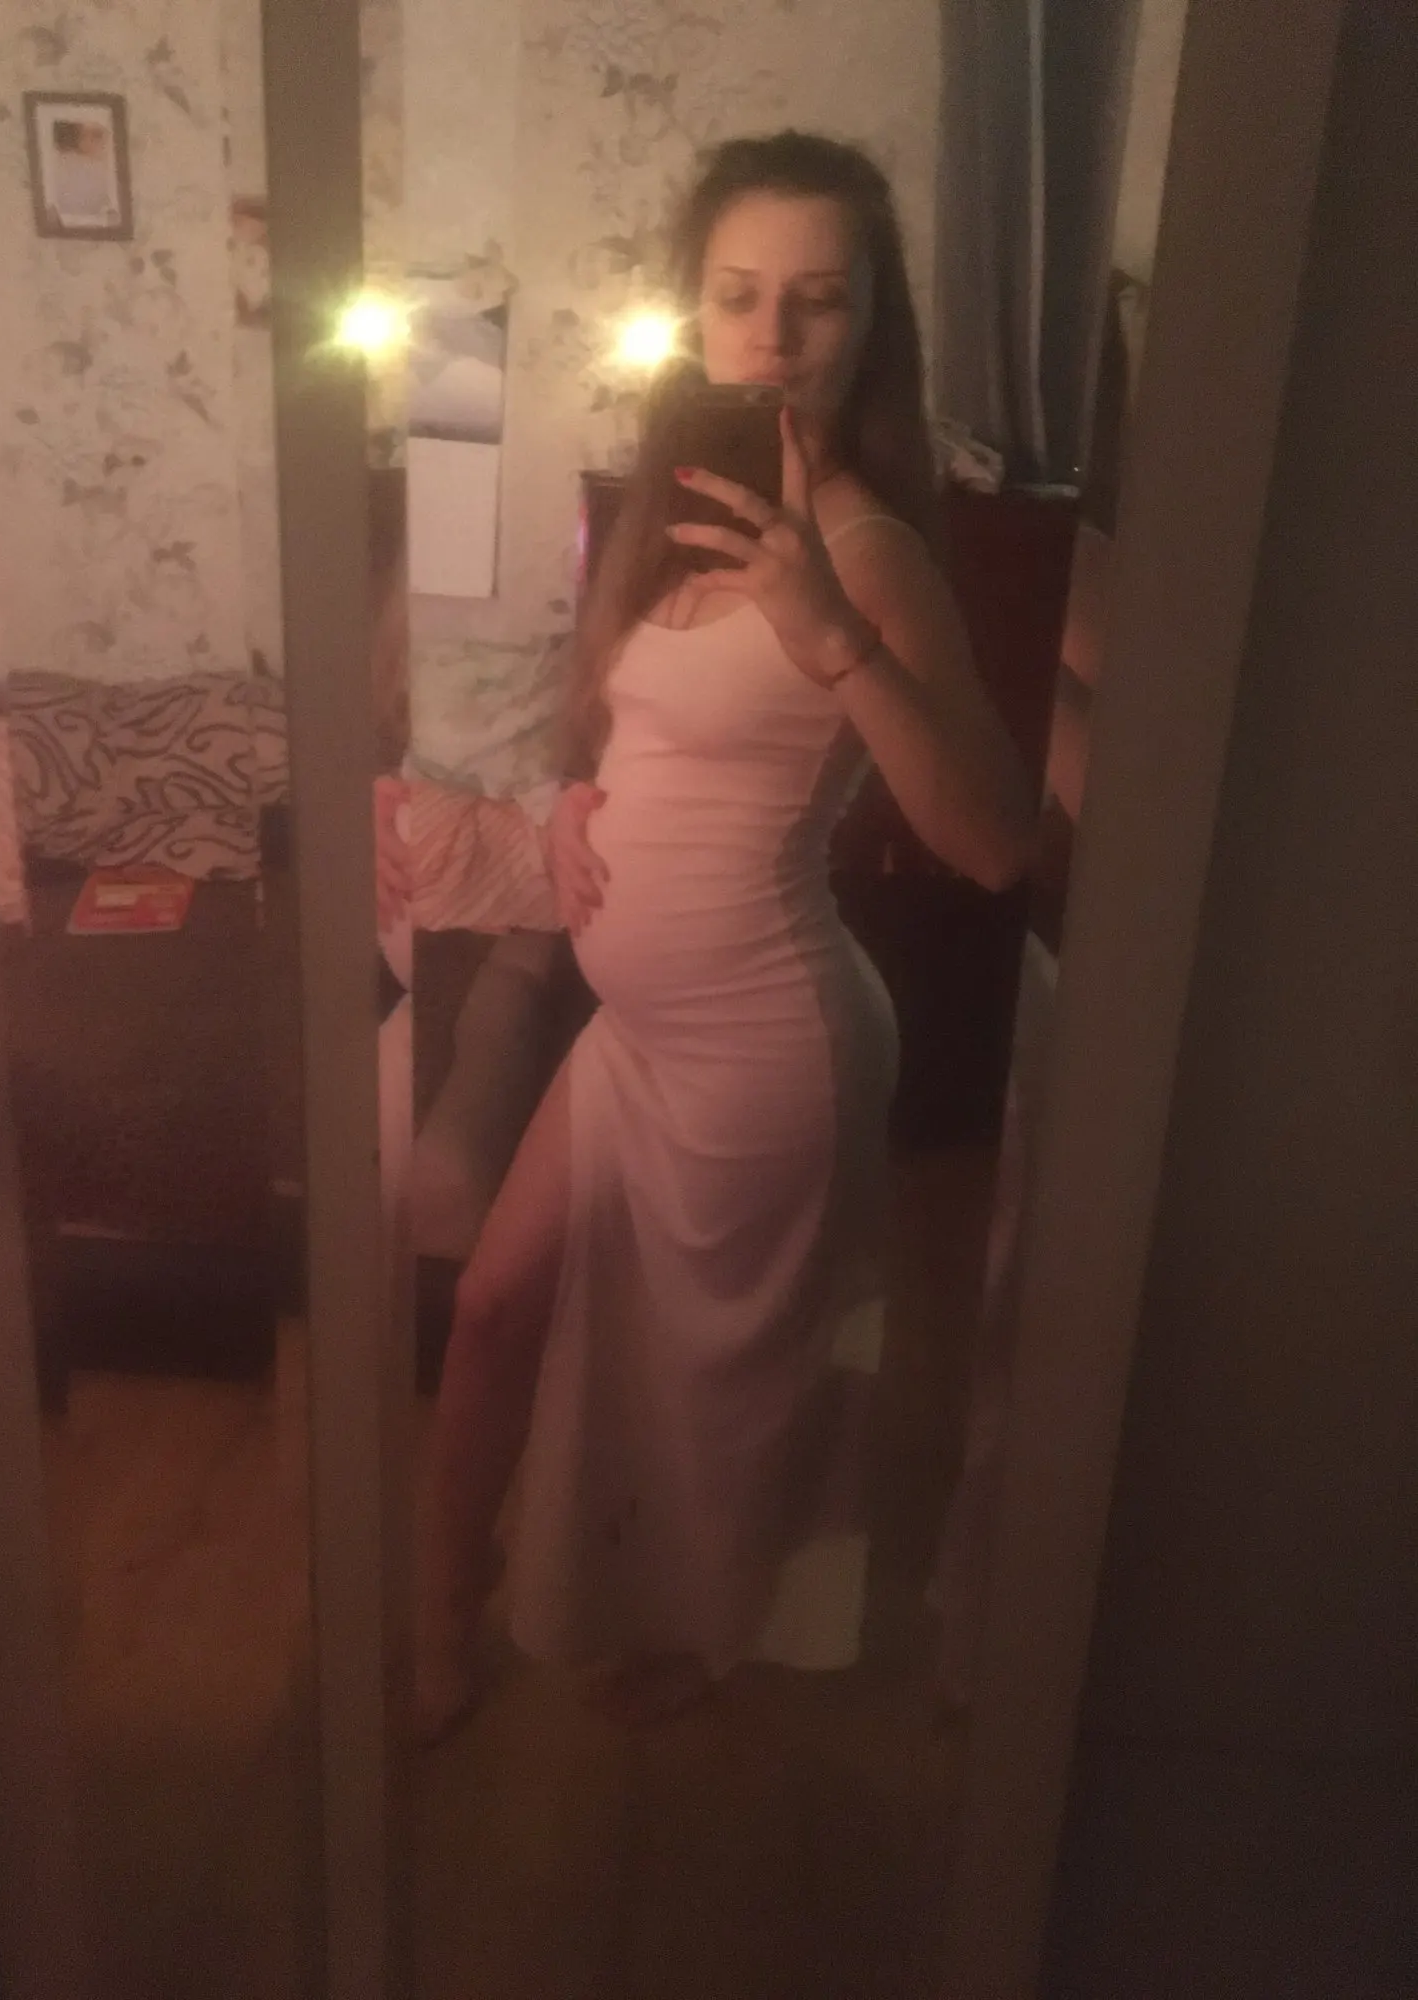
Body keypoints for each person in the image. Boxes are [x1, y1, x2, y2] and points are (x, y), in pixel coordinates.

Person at [395, 130, 1036, 1740]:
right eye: (740, 294)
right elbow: (614, 717)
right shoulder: (682, 507)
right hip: (640, 1035)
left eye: (818, 298)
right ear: (693, 308)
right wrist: (570, 805)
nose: (774, 335)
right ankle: (439, 1613)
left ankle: (711, 1620)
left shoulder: (873, 554)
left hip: (766, 1043)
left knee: (718, 1387)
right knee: (490, 1308)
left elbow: (991, 838)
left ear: (871, 319)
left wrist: (834, 645)